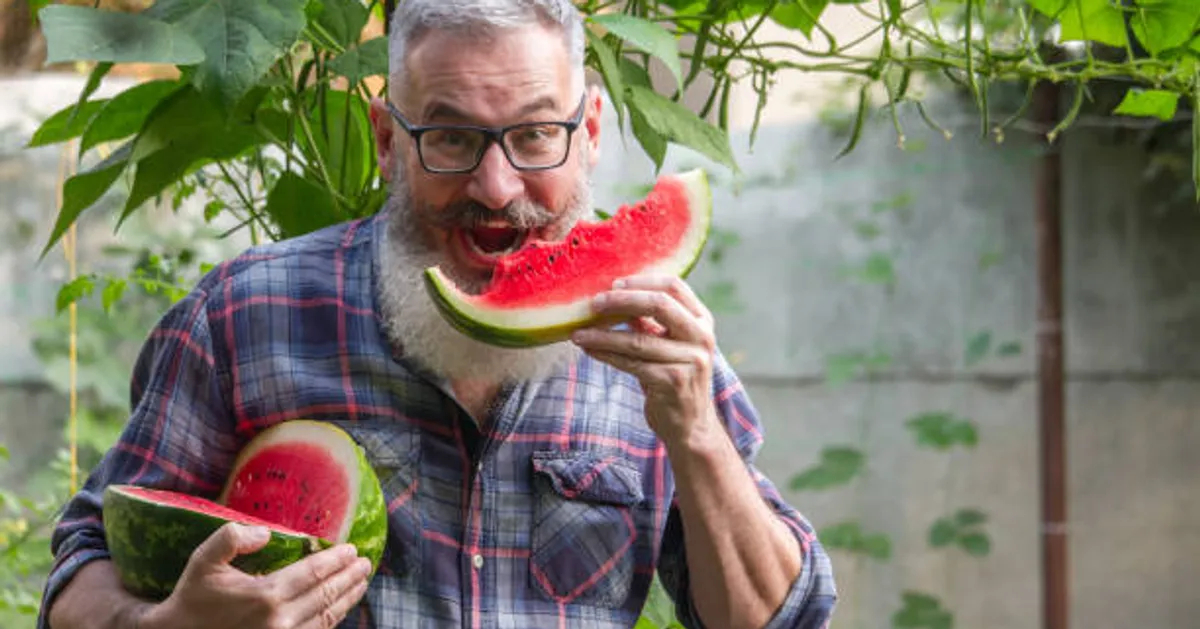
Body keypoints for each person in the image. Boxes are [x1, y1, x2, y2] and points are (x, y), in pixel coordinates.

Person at [38, 1, 838, 628]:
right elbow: (81, 570)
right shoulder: (245, 316)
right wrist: (167, 623)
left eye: (535, 135)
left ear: (589, 132)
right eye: (451, 139)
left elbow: (780, 617)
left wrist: (697, 434)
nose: (496, 186)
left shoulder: (654, 339)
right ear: (388, 139)